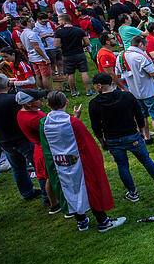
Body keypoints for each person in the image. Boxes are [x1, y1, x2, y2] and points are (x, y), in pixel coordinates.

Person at [40, 90, 125, 233]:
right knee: (88, 188)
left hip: (59, 163)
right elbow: (87, 143)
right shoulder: (73, 123)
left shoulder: (43, 123)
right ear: (66, 102)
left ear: (48, 105)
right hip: (79, 162)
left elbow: (47, 144)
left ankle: (81, 220)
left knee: (69, 190)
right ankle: (103, 221)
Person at [88, 72, 154, 202]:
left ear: (99, 86)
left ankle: (133, 192)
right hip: (131, 135)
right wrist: (141, 131)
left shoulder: (94, 103)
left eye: (94, 85)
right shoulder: (127, 96)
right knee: (146, 160)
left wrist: (102, 142)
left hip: (112, 139)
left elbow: (96, 126)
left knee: (122, 166)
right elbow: (139, 115)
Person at [0, 74, 40, 200]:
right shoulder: (12, 100)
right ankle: (47, 195)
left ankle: (27, 192)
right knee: (38, 167)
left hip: (3, 140)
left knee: (17, 168)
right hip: (21, 138)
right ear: (7, 84)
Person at [121, 35, 154, 146]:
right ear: (141, 45)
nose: (146, 47)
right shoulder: (141, 56)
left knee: (142, 116)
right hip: (150, 91)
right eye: (145, 45)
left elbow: (119, 74)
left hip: (134, 92)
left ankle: (146, 138)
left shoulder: (121, 56)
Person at [53, 14, 93, 97]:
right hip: (80, 53)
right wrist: (82, 46)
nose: (58, 22)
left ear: (64, 21)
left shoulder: (59, 32)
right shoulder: (79, 30)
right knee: (84, 72)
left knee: (71, 74)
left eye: (59, 21)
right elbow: (87, 42)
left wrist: (64, 46)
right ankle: (89, 91)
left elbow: (56, 45)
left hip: (67, 55)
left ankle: (73, 92)